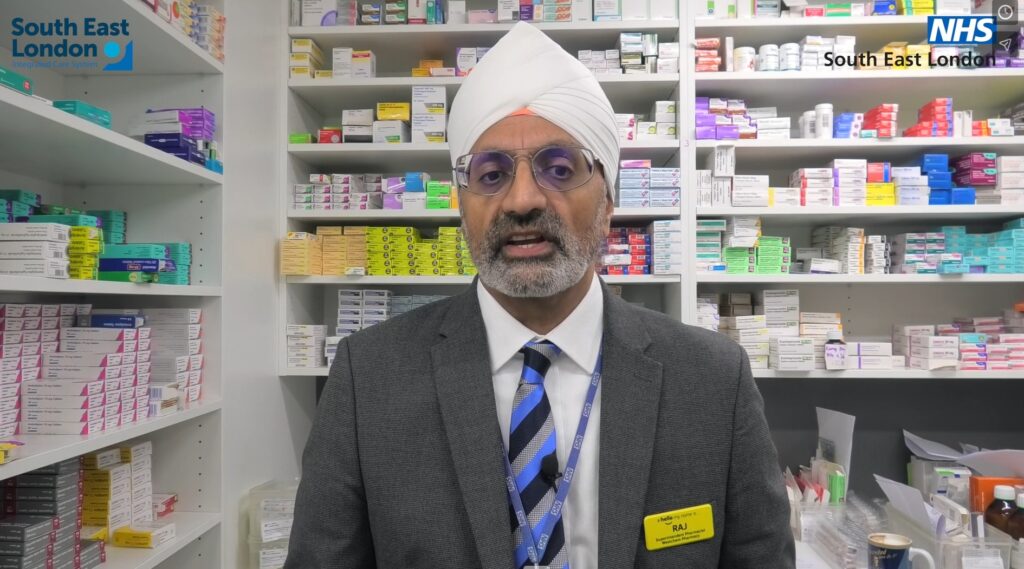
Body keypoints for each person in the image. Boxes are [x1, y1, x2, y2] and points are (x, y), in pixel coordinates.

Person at [284, 22, 794, 569]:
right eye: (490, 173)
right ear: (462, 205)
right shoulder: (370, 379)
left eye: (558, 168)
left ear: (609, 200)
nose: (522, 200)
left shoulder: (714, 381)